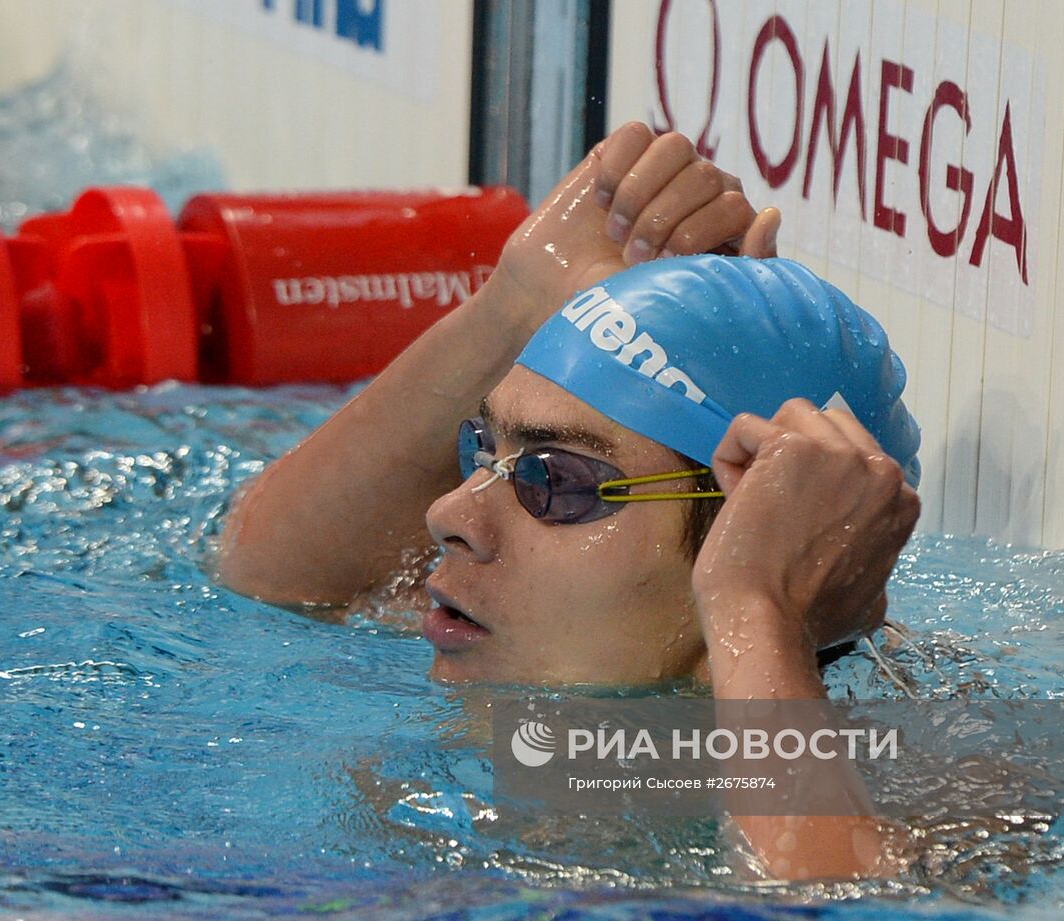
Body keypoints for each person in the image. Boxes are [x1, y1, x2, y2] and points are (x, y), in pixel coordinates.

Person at [215, 122, 921, 880]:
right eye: (482, 450)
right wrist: (514, 302)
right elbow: (268, 581)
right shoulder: (529, 676)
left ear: (750, 542)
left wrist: (759, 607)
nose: (449, 514)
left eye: (554, 481)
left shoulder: (926, 791)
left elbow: (840, 900)